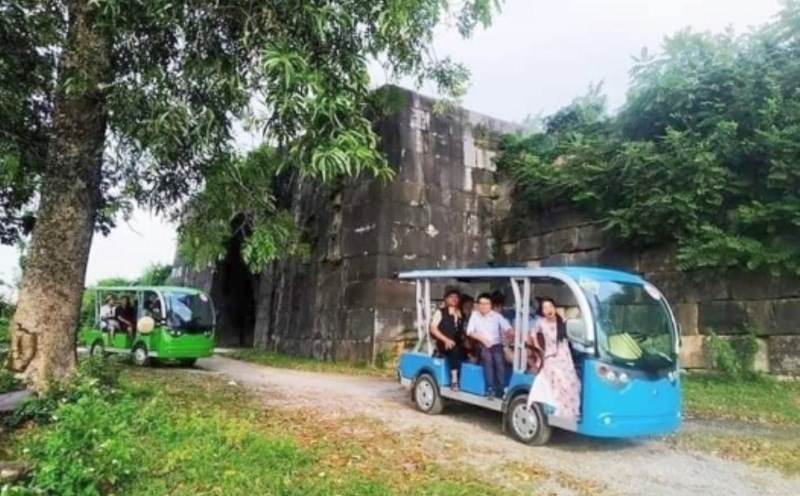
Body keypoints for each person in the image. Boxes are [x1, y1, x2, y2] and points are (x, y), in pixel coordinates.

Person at [526, 298, 581, 419]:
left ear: (554, 307)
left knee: (570, 382)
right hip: (550, 356)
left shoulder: (563, 321)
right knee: (556, 379)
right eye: (545, 308)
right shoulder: (541, 322)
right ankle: (559, 408)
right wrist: (536, 346)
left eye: (550, 306)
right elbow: (532, 333)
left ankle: (571, 410)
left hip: (564, 356)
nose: (548, 310)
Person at [466, 293, 512, 399]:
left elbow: (508, 328)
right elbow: (469, 332)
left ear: (490, 305)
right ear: (477, 304)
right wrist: (483, 339)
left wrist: (511, 334)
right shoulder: (475, 315)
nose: (483, 306)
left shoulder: (497, 316)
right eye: (481, 303)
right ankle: (490, 388)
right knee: (488, 358)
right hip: (480, 344)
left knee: (499, 359)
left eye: (486, 303)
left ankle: (501, 388)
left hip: (496, 344)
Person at [429, 287, 465, 391]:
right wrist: (445, 340)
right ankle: (454, 380)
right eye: (451, 297)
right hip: (443, 342)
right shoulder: (440, 312)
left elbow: (463, 331)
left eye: (456, 297)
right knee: (453, 349)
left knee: (467, 351)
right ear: (446, 299)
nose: (454, 299)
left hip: (458, 342)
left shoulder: (461, 313)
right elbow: (433, 328)